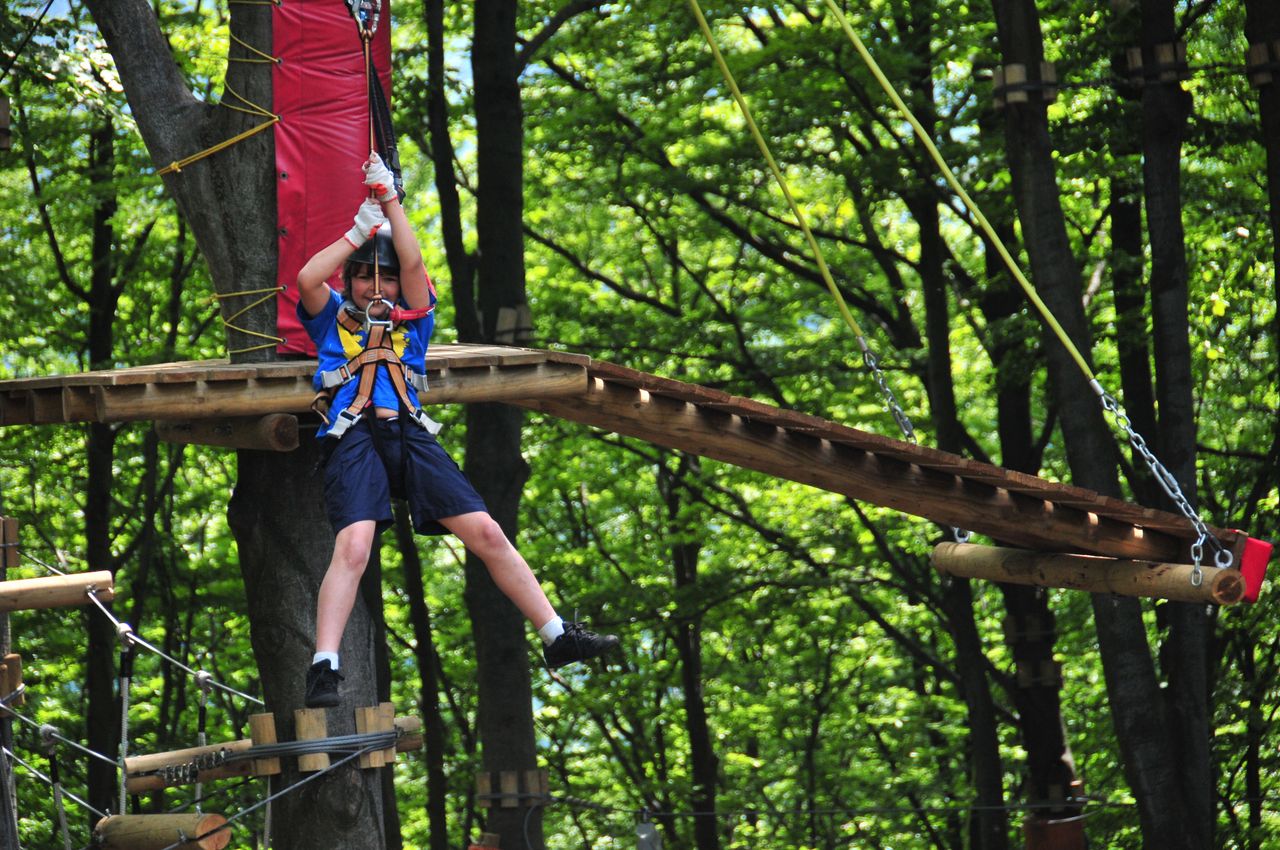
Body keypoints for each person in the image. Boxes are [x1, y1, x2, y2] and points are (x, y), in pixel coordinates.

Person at [295, 153, 619, 708]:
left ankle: (556, 634)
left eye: (387, 276)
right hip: (353, 435)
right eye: (367, 276)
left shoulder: (412, 324)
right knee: (354, 545)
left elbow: (417, 270)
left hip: (410, 436)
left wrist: (392, 203)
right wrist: (356, 233)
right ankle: (324, 665)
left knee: (488, 533)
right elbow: (305, 278)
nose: (378, 285)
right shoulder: (331, 317)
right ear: (348, 282)